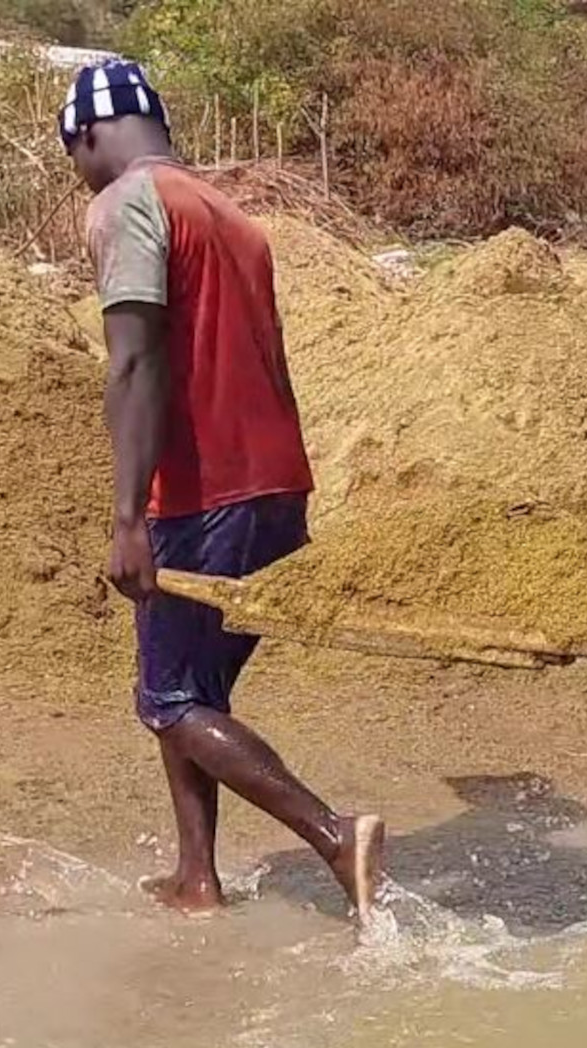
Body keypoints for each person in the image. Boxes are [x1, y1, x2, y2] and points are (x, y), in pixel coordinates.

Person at [59, 60, 385, 921]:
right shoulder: (234, 217)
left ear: (89, 137)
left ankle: (335, 835)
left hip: (201, 493)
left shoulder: (127, 204)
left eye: (75, 156)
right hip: (276, 487)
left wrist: (129, 515)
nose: (79, 175)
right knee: (192, 686)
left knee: (167, 699)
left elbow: (135, 363)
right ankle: (196, 876)